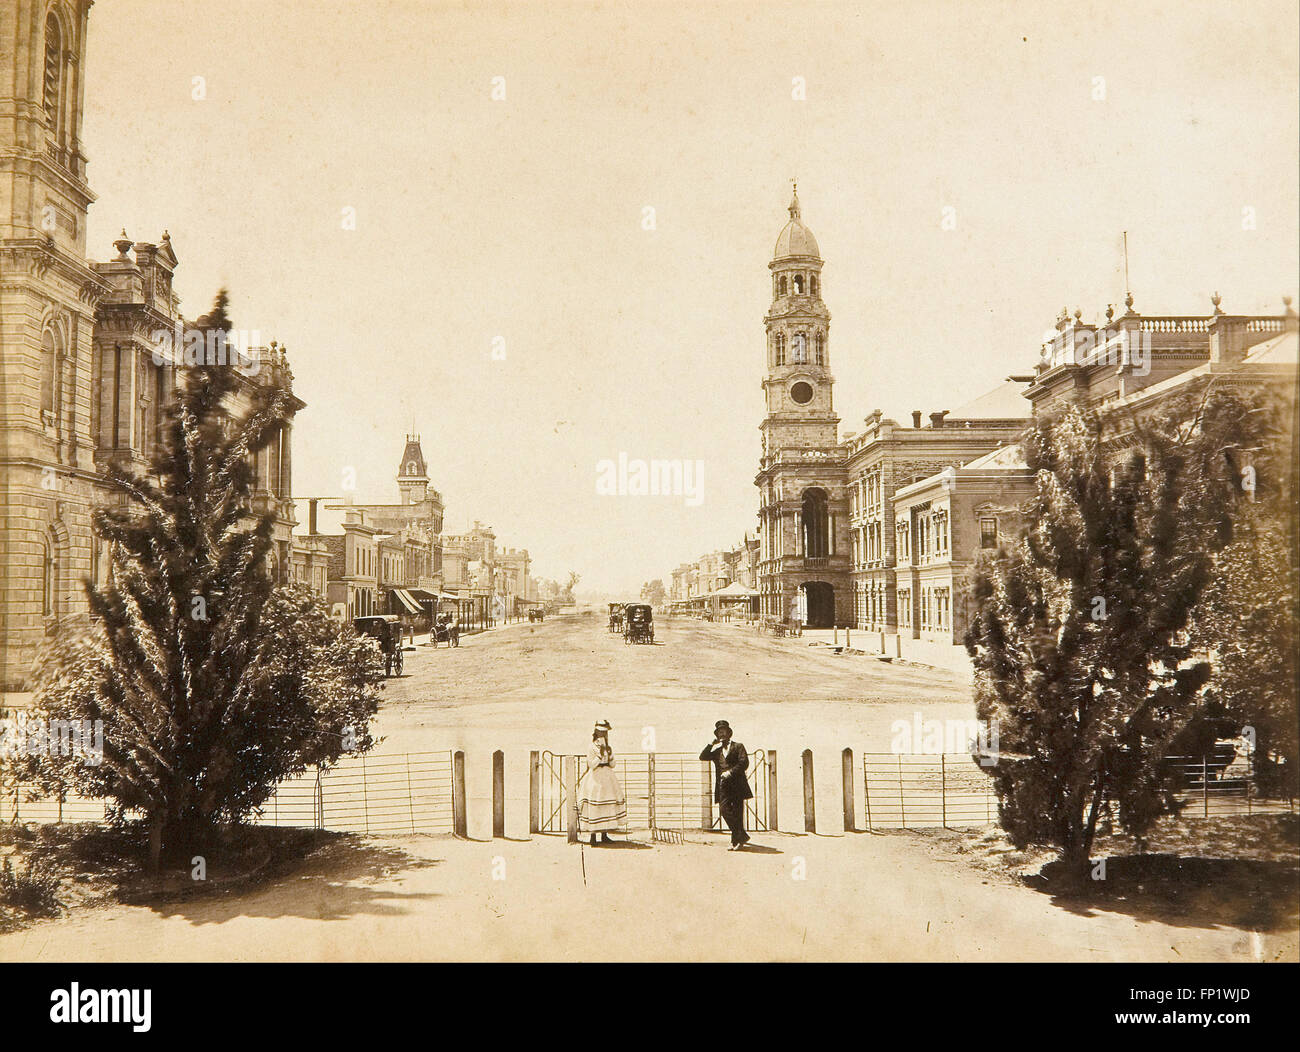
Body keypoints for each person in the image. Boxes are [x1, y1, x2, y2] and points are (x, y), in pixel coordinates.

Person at [700, 720, 752, 850]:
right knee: (724, 811)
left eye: (724, 732)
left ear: (729, 733)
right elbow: (703, 756)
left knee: (737, 813)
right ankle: (742, 835)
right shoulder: (717, 751)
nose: (722, 734)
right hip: (723, 786)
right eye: (719, 733)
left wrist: (730, 772)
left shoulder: (738, 746)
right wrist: (711, 744)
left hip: (737, 785)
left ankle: (736, 842)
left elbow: (744, 762)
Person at [578, 720, 626, 845]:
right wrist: (599, 755)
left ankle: (604, 834)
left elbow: (613, 765)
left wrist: (609, 756)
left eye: (605, 733)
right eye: (601, 733)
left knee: (607, 805)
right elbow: (591, 765)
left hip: (608, 778)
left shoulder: (608, 747)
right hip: (596, 778)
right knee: (596, 804)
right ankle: (593, 837)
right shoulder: (591, 747)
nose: (604, 735)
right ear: (596, 733)